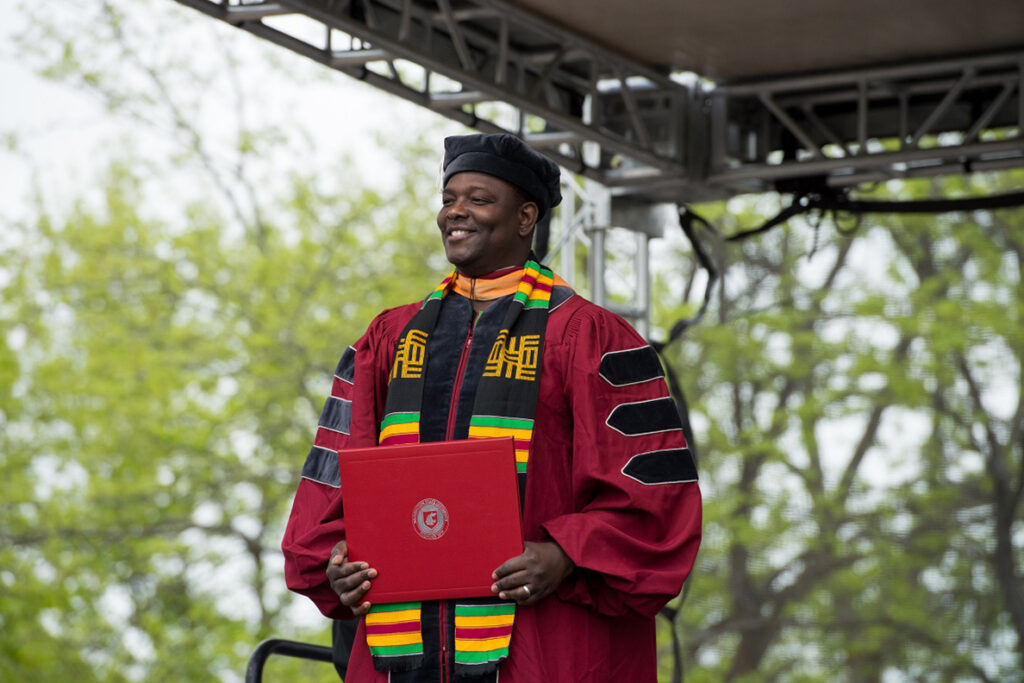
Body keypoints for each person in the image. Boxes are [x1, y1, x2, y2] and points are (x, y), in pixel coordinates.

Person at [282, 133, 702, 682]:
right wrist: (339, 563)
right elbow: (333, 492)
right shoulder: (388, 339)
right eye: (449, 198)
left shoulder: (591, 337)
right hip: (401, 651)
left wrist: (564, 554)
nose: (456, 212)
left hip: (543, 645)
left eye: (478, 199)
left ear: (527, 216)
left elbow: (657, 503)